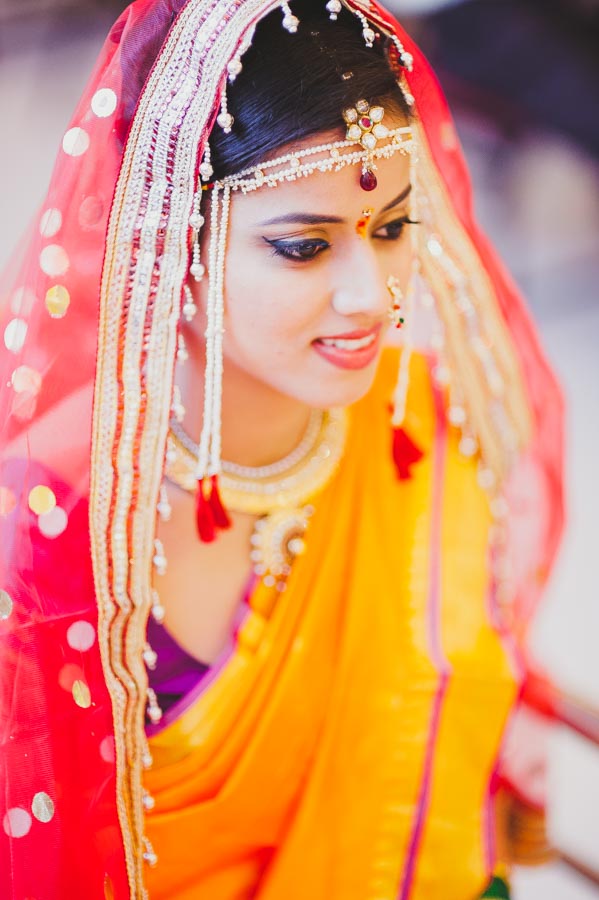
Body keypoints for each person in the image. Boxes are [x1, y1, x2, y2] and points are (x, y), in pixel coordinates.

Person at [0, 0, 564, 897]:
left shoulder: (423, 419)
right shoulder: (55, 523)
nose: (371, 297)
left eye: (391, 230)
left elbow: (450, 700)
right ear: (167, 242)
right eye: (303, 247)